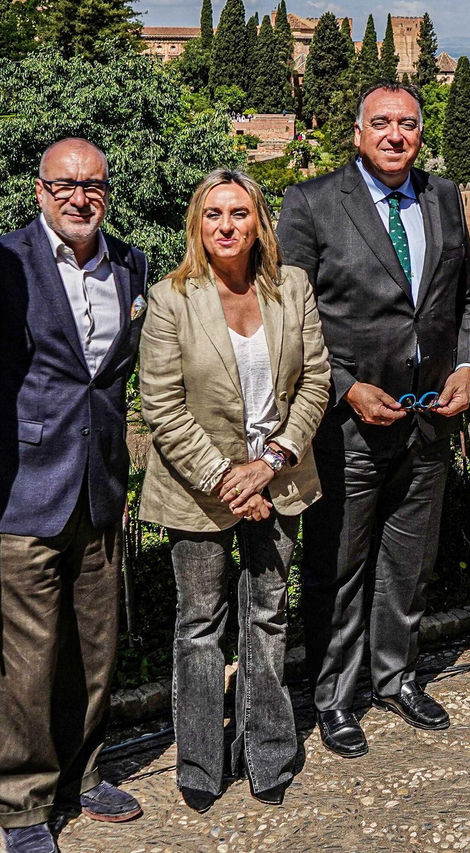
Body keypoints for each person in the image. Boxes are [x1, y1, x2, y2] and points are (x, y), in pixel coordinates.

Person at [276, 81, 470, 757]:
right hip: (350, 427)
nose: (396, 135)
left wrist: (466, 369)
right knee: (338, 565)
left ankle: (396, 676)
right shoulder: (311, 203)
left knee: (409, 561)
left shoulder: (444, 196)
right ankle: (335, 698)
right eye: (382, 123)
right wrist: (345, 387)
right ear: (358, 132)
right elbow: (291, 318)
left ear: (421, 133)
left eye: (408, 124)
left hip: (430, 418)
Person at [0, 139, 148, 850]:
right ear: (39, 191)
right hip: (17, 494)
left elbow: (111, 379)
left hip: (97, 485)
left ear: (107, 191)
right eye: (64, 185)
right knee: (21, 659)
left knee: (93, 648)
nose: (79, 197)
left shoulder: (132, 263)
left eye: (92, 185)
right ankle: (22, 804)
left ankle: (80, 772)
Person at [139, 170, 331, 809]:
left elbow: (317, 384)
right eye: (214, 214)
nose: (227, 225)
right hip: (199, 490)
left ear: (259, 224)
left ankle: (267, 749)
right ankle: (199, 760)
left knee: (268, 613)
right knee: (199, 624)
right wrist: (228, 479)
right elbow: (162, 406)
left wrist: (270, 462)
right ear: (198, 224)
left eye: (240, 213)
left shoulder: (291, 288)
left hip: (278, 480)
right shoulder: (172, 298)